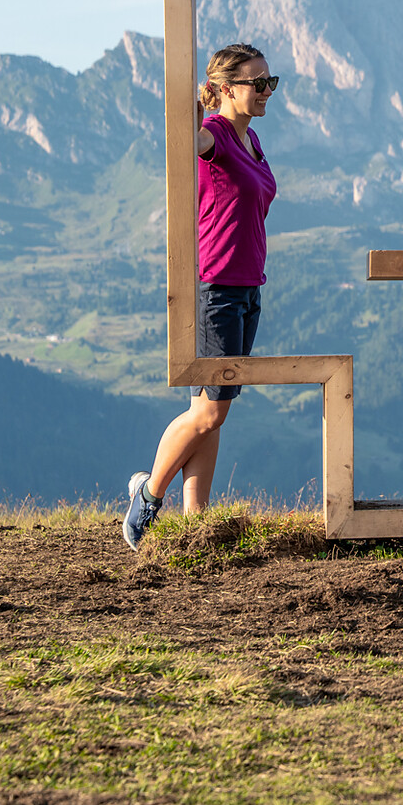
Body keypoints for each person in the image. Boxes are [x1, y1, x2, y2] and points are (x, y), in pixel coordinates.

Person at [123, 43, 280, 549]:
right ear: (227, 89)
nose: (266, 92)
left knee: (213, 408)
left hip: (247, 288)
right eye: (258, 83)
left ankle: (196, 522)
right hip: (216, 289)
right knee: (210, 412)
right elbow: (185, 140)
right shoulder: (214, 136)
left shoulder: (251, 139)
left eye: (270, 82)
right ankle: (148, 492)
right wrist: (192, 109)